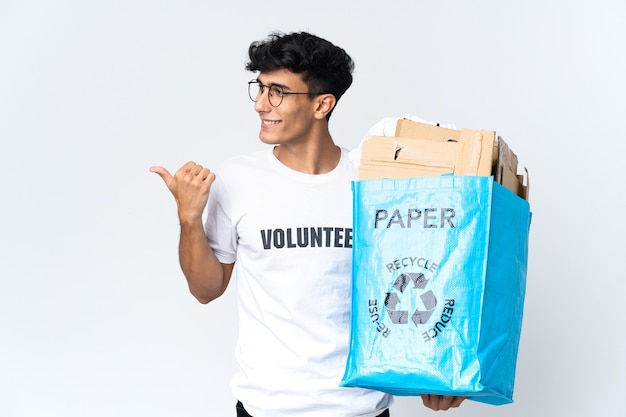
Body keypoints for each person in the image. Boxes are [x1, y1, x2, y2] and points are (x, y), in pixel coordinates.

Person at [150, 31, 465, 417]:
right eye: (260, 88)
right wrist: (189, 218)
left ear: (322, 105)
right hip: (266, 408)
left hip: (361, 407)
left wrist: (440, 375)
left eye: (278, 91)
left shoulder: (375, 183)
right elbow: (206, 289)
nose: (261, 105)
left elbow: (423, 276)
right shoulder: (236, 179)